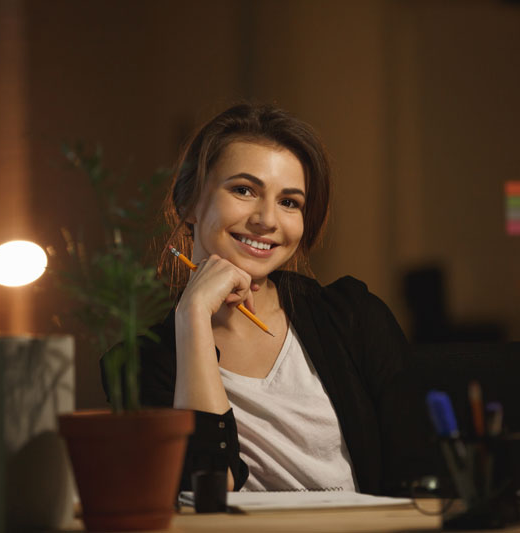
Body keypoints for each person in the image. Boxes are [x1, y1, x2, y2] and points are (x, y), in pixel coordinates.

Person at [104, 102, 431, 495]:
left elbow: (423, 478)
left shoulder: (353, 315)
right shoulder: (142, 364)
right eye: (244, 190)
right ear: (188, 204)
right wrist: (192, 317)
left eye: (289, 202)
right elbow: (206, 490)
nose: (268, 220)